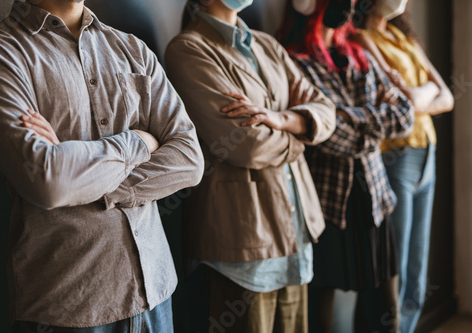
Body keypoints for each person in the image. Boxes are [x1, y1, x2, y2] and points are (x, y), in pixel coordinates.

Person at [0, 0, 204, 332]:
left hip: (157, 294)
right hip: (70, 309)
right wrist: (140, 141)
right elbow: (49, 182)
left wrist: (80, 174)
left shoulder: (132, 48)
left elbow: (189, 159)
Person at [165, 0, 336, 331]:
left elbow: (326, 109)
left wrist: (282, 118)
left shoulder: (266, 43)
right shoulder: (188, 49)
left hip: (296, 231)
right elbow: (247, 145)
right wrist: (300, 131)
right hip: (243, 240)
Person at [278, 0, 414, 331]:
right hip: (327, 205)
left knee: (385, 312)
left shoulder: (358, 53)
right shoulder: (294, 63)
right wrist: (374, 116)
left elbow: (406, 114)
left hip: (375, 198)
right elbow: (329, 135)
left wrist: (344, 118)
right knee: (320, 312)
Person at [352, 0, 455, 331]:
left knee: (418, 269)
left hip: (427, 153)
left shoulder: (404, 39)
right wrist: (424, 93)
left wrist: (418, 93)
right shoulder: (362, 38)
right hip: (396, 158)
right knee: (396, 266)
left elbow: (447, 97)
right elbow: (410, 100)